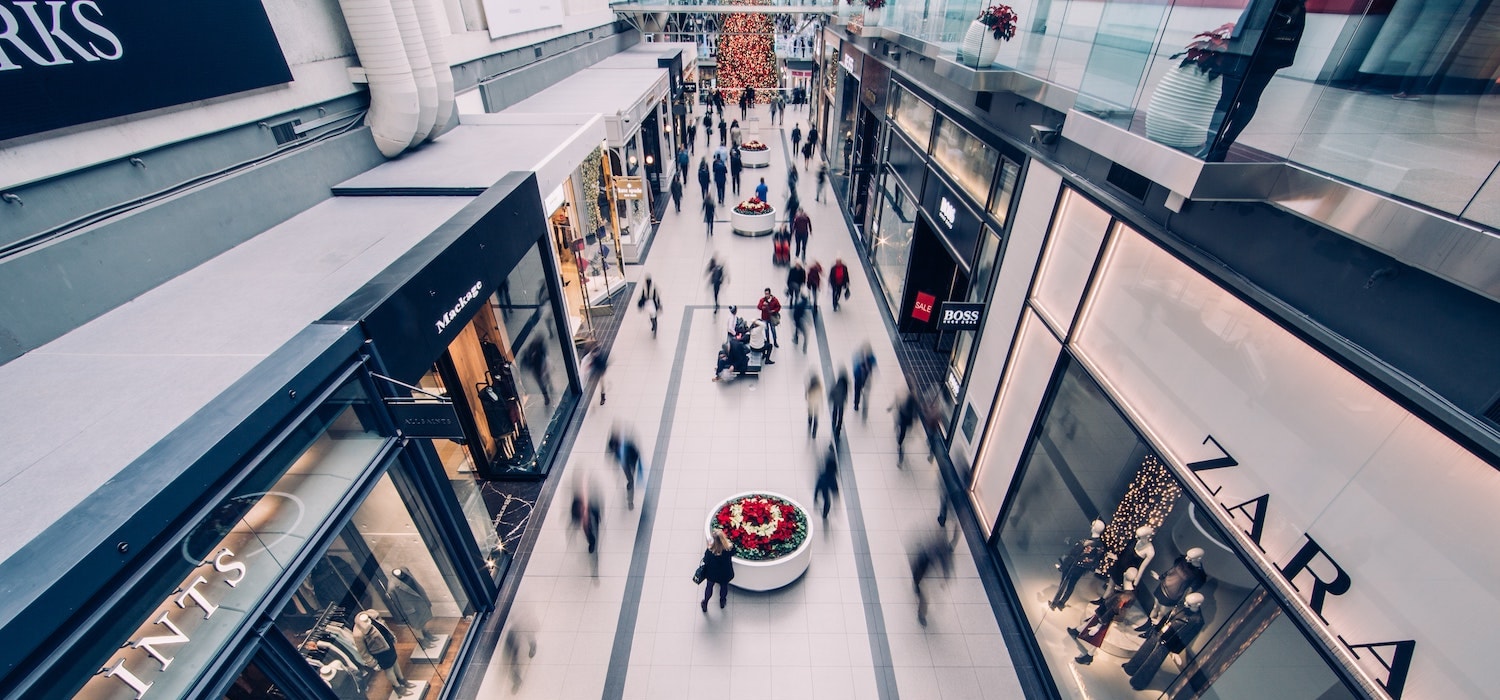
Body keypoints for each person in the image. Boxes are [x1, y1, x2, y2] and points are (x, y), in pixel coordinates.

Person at [1201, 0, 1305, 161]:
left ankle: (1214, 146)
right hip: (1270, 45)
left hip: (1259, 42)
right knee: (1242, 98)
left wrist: (1242, 32)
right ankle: (1217, 147)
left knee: (1233, 97)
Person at [910, 532, 954, 626]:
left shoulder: (935, 551)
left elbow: (944, 564)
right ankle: (921, 614)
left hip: (923, 573)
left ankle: (921, 611)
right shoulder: (930, 551)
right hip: (921, 573)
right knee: (925, 597)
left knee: (923, 592)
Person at [607, 430, 645, 510]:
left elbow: (636, 452)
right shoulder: (613, 444)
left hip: (631, 463)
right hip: (624, 464)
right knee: (630, 479)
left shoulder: (627, 444)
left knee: (630, 480)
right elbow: (610, 452)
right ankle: (630, 498)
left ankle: (630, 500)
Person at [700, 529, 736, 611]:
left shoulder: (710, 551)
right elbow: (734, 552)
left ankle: (705, 603)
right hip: (725, 573)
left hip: (712, 573)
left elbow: (705, 560)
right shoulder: (729, 548)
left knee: (709, 587)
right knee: (724, 587)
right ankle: (722, 602)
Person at [891, 391, 920, 466]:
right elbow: (915, 416)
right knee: (902, 437)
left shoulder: (905, 407)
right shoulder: (912, 408)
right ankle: (900, 448)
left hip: (903, 423)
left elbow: (900, 411)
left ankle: (900, 458)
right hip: (907, 424)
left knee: (901, 437)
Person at [813, 443, 839, 520]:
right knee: (827, 500)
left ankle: (824, 511)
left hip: (824, 481)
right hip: (829, 481)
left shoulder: (823, 475)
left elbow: (817, 486)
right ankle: (825, 513)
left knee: (826, 498)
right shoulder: (833, 460)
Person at [851, 343, 876, 415]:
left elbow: (874, 363)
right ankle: (856, 404)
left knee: (861, 389)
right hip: (858, 377)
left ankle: (858, 402)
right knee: (857, 390)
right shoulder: (859, 356)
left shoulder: (870, 357)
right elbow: (855, 366)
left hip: (865, 377)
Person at [828, 368, 849, 437]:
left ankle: (834, 420)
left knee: (835, 411)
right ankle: (838, 429)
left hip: (836, 400)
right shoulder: (846, 384)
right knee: (840, 415)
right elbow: (846, 393)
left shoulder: (839, 382)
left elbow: (833, 390)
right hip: (841, 402)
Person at [805, 373, 823, 438]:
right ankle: (814, 433)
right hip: (816, 405)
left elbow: (806, 395)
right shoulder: (819, 387)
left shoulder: (810, 387)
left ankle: (809, 423)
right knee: (816, 419)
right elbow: (821, 397)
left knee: (810, 415)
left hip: (811, 404)